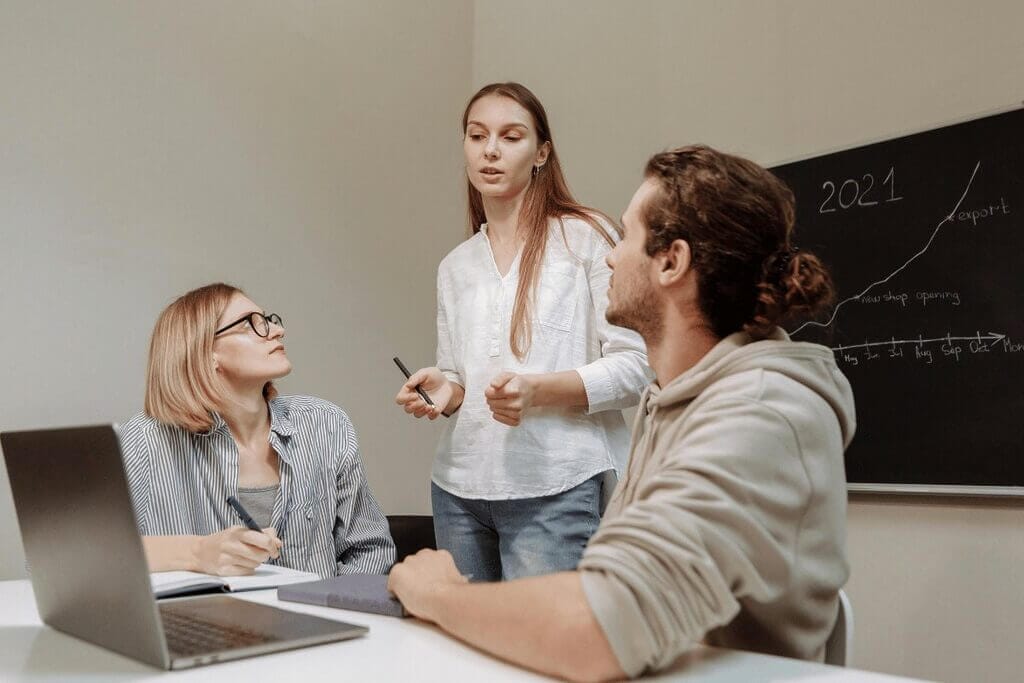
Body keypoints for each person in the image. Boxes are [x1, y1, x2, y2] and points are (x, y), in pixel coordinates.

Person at [388, 145, 855, 681]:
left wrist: (440, 595)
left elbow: (600, 630)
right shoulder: (679, 401)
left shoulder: (759, 412)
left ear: (671, 262)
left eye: (628, 236)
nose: (611, 254)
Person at [394, 82, 651, 581]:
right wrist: (442, 391)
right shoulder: (455, 265)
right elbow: (459, 378)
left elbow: (636, 366)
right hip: (459, 489)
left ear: (542, 152)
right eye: (476, 136)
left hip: (557, 484)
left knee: (542, 653)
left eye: (511, 137)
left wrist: (540, 392)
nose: (490, 150)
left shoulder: (587, 237)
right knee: (465, 650)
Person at [119, 283, 395, 578]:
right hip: (207, 621)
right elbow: (104, 557)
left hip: (322, 620)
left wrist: (335, 611)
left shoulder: (326, 425)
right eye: (251, 324)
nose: (276, 331)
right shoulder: (148, 439)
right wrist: (197, 553)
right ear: (206, 352)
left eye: (269, 320)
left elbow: (371, 550)